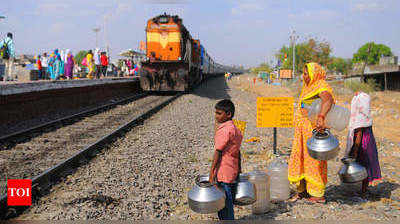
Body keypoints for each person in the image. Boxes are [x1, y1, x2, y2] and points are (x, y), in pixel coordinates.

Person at [288, 62, 335, 203]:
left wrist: (321, 116)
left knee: (313, 160)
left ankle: (317, 194)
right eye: (304, 73)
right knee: (299, 157)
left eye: (306, 73)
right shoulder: (308, 87)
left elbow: (328, 100)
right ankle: (302, 191)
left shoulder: (321, 85)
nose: (304, 76)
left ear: (315, 74)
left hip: (312, 131)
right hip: (301, 132)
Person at [209, 99, 243, 220]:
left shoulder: (224, 130)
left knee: (224, 204)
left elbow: (218, 152)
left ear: (228, 114)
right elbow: (238, 152)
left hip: (223, 172)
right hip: (232, 170)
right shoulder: (236, 130)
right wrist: (239, 169)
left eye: (219, 113)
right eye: (216, 113)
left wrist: (211, 173)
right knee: (228, 202)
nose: (216, 116)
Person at [344, 92, 382, 196]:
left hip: (361, 144)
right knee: (366, 165)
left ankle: (363, 190)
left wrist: (355, 151)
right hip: (368, 142)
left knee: (362, 165)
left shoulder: (359, 117)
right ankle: (364, 188)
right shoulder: (366, 116)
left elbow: (359, 134)